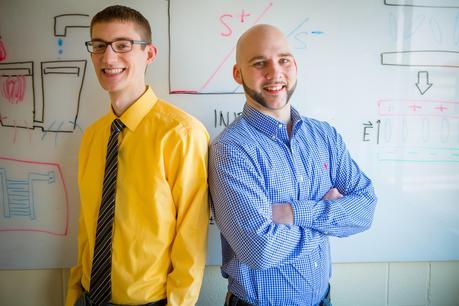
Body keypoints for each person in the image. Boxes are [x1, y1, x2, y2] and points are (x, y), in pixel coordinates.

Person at [208, 24, 377, 306]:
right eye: (259, 63)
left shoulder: (324, 136)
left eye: (283, 60)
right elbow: (260, 249)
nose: (275, 73)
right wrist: (330, 218)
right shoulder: (231, 149)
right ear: (238, 74)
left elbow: (365, 209)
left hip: (324, 299)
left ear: (295, 66)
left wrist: (292, 213)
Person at [66, 5, 209, 306]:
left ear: (150, 53)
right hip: (89, 296)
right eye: (99, 46)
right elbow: (87, 225)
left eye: (123, 45)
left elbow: (191, 236)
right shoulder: (92, 136)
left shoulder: (182, 134)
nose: (108, 58)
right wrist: (74, 292)